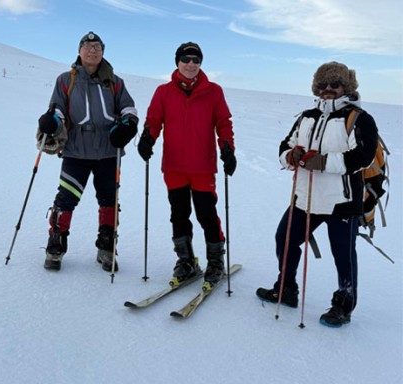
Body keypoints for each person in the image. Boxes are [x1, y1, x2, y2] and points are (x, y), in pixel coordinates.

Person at [256, 62, 378, 328]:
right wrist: (290, 156)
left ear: (346, 86)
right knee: (284, 239)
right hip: (305, 198)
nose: (327, 89)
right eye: (322, 84)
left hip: (342, 202)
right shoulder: (306, 116)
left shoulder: (359, 118)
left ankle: (343, 306)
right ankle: (286, 288)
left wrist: (323, 162)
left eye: (334, 84)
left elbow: (364, 156)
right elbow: (285, 145)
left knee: (343, 256)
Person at [136, 42, 236, 288]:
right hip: (174, 167)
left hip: (202, 167)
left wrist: (227, 149)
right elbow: (154, 120)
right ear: (177, 62)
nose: (191, 64)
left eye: (196, 60)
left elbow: (223, 122)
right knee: (179, 215)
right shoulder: (163, 92)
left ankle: (215, 262)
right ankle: (186, 261)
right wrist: (148, 138)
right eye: (186, 59)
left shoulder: (213, 91)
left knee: (207, 215)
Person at [37, 31, 139, 271]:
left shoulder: (115, 81)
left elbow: (128, 108)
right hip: (76, 150)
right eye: (87, 46)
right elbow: (57, 109)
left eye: (97, 47)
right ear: (79, 51)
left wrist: (128, 125)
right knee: (66, 198)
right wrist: (51, 121)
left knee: (109, 200)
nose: (92, 50)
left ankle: (106, 247)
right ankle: (55, 246)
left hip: (108, 151)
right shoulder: (66, 80)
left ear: (103, 52)